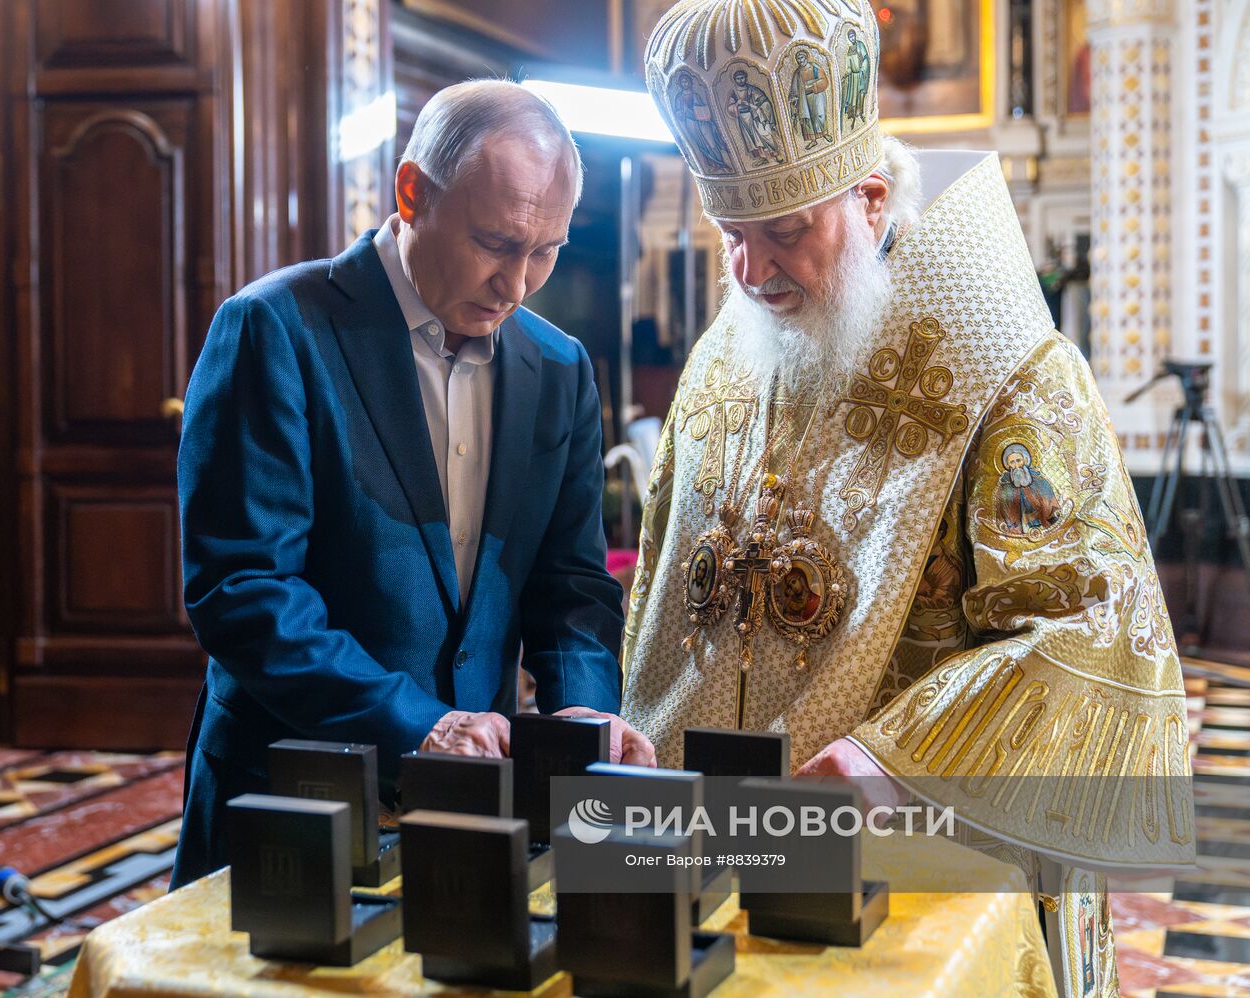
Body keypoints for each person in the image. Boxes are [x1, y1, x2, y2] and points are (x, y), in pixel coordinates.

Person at [631, 3, 1194, 994]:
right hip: (707, 865)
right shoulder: (723, 360)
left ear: (872, 198)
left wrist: (889, 763)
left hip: (913, 862)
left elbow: (1097, 628)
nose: (750, 272)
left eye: (783, 231)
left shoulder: (1008, 370)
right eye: (730, 234)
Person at [173, 79, 655, 888]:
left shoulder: (561, 367)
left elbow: (570, 582)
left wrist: (581, 711)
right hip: (293, 791)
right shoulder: (275, 328)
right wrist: (420, 726)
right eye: (497, 243)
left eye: (547, 251)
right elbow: (243, 590)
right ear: (411, 193)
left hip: (474, 811)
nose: (518, 284)